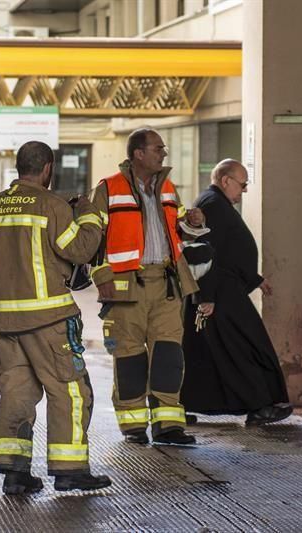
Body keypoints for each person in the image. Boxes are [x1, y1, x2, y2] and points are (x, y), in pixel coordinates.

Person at [0, 141, 112, 495]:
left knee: (17, 393)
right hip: (49, 322)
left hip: (6, 326)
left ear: (20, 167)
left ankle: (15, 473)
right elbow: (80, 249)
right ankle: (69, 469)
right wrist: (90, 213)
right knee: (71, 392)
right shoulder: (52, 206)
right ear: (48, 168)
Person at [90, 128, 204, 445]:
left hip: (166, 284)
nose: (163, 153)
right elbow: (90, 241)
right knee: (129, 358)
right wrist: (102, 278)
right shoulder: (107, 189)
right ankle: (133, 424)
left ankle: (168, 424)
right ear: (138, 153)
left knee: (169, 355)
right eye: (158, 148)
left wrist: (192, 222)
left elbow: (179, 228)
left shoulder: (167, 187)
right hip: (125, 287)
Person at [181, 159, 293, 426]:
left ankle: (191, 406)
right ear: (225, 180)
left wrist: (254, 279)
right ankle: (259, 405)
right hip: (217, 294)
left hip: (223, 290)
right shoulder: (211, 205)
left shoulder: (216, 203)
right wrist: (205, 298)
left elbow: (228, 251)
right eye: (242, 184)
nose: (243, 191)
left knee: (218, 351)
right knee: (244, 347)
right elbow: (203, 253)